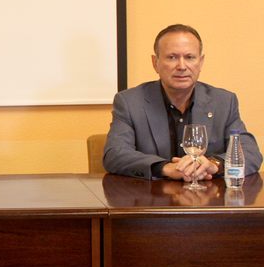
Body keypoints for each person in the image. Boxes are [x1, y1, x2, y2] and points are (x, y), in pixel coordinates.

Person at [104, 24, 262, 181]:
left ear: (200, 62)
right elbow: (115, 155)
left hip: (208, 195)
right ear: (155, 62)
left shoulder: (224, 101)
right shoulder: (130, 102)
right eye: (172, 57)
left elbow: (250, 152)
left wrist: (214, 165)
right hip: (152, 195)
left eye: (189, 57)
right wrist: (165, 168)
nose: (181, 66)